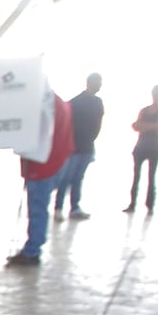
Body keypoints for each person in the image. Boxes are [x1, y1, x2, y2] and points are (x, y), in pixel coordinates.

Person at [7, 93, 74, 267]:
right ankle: (34, 247)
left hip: (43, 164)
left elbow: (35, 135)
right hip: (56, 160)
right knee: (40, 207)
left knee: (37, 207)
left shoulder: (42, 104)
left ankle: (32, 251)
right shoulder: (56, 102)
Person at [53, 73, 103, 221]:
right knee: (65, 178)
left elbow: (98, 124)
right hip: (73, 148)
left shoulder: (98, 102)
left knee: (78, 178)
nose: (100, 85)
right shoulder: (75, 102)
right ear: (90, 83)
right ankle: (58, 208)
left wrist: (92, 139)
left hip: (87, 146)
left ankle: (74, 207)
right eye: (99, 82)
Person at [124, 84, 158, 216]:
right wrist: (147, 126)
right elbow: (135, 125)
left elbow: (157, 126)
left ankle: (149, 205)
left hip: (153, 146)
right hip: (142, 145)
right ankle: (132, 204)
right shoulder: (144, 110)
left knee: (151, 176)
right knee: (136, 176)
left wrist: (143, 126)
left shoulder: (156, 111)